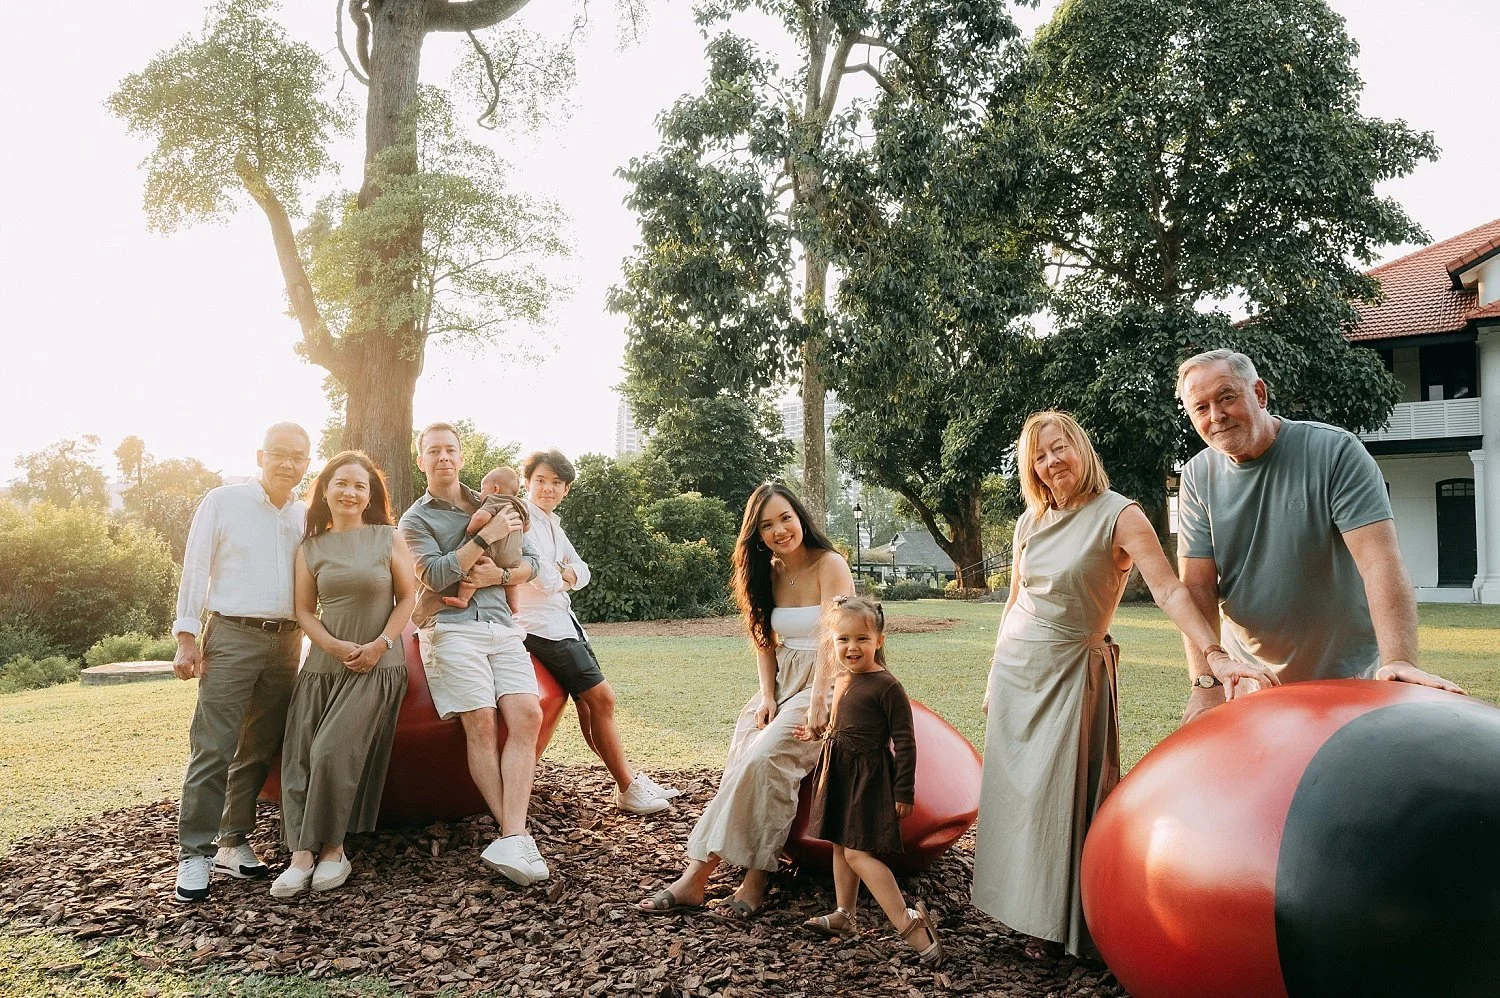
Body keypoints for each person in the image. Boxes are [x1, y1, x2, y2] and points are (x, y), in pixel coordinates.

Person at [972, 410, 1273, 959]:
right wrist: (995, 672)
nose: (1050, 462)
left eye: (1058, 448)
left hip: (1069, 673)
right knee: (1017, 797)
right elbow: (1015, 601)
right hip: (1017, 673)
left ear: (1080, 448)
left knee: (1057, 798)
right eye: (1038, 456)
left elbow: (1171, 591)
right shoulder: (1029, 522)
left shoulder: (1120, 514)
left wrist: (1212, 651)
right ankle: (1015, 910)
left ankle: (1056, 924)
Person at [1175, 349, 1465, 725]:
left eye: (1227, 397)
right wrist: (1206, 683)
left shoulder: (1334, 452)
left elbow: (1379, 561)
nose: (1216, 416)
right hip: (1250, 676)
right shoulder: (1198, 476)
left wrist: (1399, 661)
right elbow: (1196, 586)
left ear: (1259, 394)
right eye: (1200, 407)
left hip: (1346, 674)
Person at [638, 483, 854, 917]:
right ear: (756, 534)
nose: (779, 530)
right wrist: (768, 696)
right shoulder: (766, 571)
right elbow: (763, 640)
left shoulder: (830, 565)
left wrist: (818, 703)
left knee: (767, 758)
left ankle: (747, 875)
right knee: (743, 754)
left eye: (785, 518)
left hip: (830, 679)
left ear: (800, 517)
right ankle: (697, 878)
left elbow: (839, 641)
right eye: (766, 525)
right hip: (783, 678)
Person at [398, 422, 549, 886]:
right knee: (480, 720)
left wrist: (498, 578)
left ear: (461, 457)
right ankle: (516, 834)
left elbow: (533, 564)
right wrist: (484, 540)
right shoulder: (414, 520)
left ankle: (511, 837)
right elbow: (435, 576)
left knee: (527, 715)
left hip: (501, 624)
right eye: (433, 451)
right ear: (421, 459)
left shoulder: (495, 500)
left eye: (450, 450)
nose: (443, 457)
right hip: (450, 626)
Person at [170, 422, 311, 902]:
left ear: (307, 463)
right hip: (231, 634)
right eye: (279, 453)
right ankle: (194, 851)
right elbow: (195, 567)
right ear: (260, 455)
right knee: (214, 744)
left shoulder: (305, 515)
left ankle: (232, 841)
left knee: (259, 745)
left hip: (287, 641)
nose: (288, 463)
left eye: (299, 456)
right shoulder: (222, 502)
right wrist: (187, 635)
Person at [271, 451, 415, 898]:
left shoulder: (387, 537)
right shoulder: (310, 547)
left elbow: (408, 598)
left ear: (369, 496)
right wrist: (331, 646)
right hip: (324, 664)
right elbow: (302, 610)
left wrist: (380, 645)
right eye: (342, 483)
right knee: (299, 755)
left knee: (331, 752)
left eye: (360, 486)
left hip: (378, 663)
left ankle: (333, 850)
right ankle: (300, 855)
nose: (350, 492)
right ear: (326, 490)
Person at [509, 449, 678, 815]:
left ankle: (626, 781)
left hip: (566, 624)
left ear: (566, 489)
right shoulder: (522, 521)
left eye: (556, 483)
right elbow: (541, 578)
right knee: (603, 699)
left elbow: (582, 572)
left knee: (590, 707)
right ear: (527, 482)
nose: (547, 489)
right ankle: (628, 787)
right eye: (540, 480)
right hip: (541, 629)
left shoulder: (554, 524)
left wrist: (564, 573)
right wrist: (561, 573)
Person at [796, 595, 941, 967]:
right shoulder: (844, 679)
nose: (851, 647)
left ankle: (909, 923)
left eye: (861, 638)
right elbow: (842, 725)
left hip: (869, 780)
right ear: (832, 641)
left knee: (859, 853)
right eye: (842, 639)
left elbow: (905, 742)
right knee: (841, 847)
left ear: (879, 640)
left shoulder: (887, 686)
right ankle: (845, 914)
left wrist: (903, 790)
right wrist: (819, 734)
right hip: (842, 772)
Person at [442, 466, 529, 610]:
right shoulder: (521, 504)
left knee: (472, 566)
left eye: (483, 489)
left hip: (493, 552)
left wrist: (470, 530)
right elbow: (526, 527)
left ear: (495, 489)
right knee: (512, 582)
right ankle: (514, 606)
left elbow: (480, 517)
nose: (481, 493)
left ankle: (463, 598)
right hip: (514, 556)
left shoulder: (494, 499)